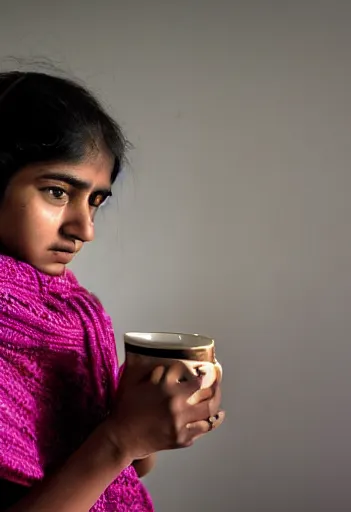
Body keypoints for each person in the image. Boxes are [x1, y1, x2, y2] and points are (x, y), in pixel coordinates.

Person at [0, 70, 225, 511]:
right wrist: (119, 439)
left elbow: (129, 470)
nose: (84, 229)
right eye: (57, 191)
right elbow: (113, 453)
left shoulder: (71, 314)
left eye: (95, 202)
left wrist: (148, 420)